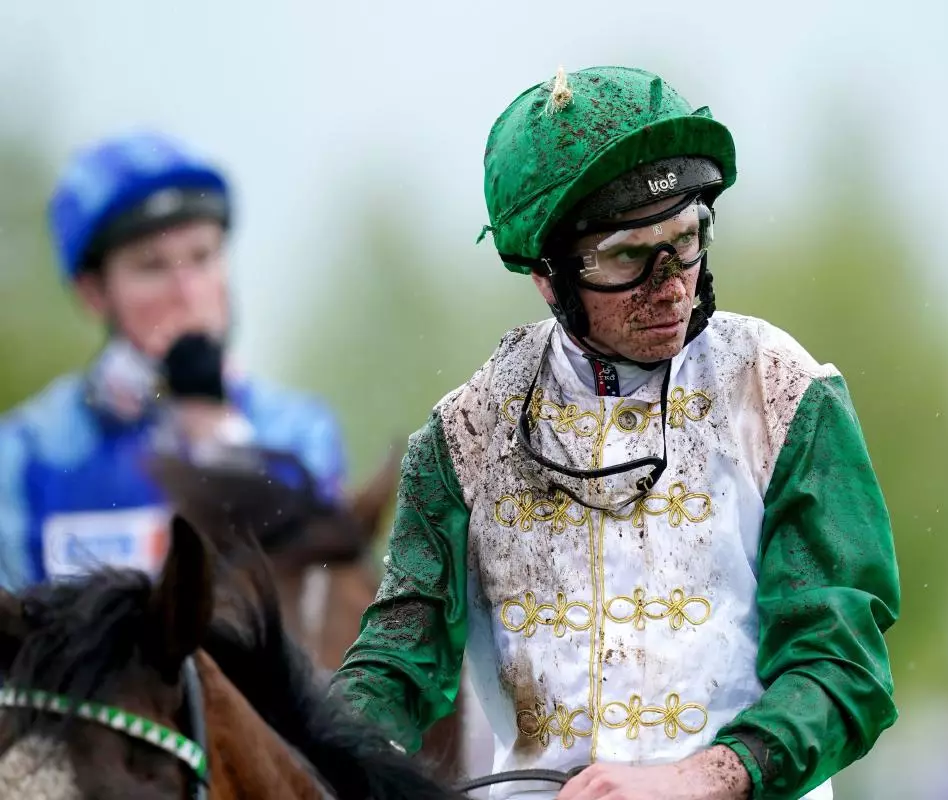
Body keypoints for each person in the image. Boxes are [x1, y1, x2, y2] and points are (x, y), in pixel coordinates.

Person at [330, 66, 901, 800]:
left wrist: (701, 778)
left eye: (688, 240)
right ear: (546, 276)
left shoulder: (784, 389)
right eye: (630, 258)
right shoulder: (462, 436)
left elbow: (843, 667)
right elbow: (395, 665)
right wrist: (322, 750)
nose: (672, 284)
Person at [0, 130, 347, 590]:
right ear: (93, 293)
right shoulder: (27, 455)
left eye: (203, 258)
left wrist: (219, 437)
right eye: (152, 267)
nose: (187, 293)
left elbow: (314, 622)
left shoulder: (298, 434)